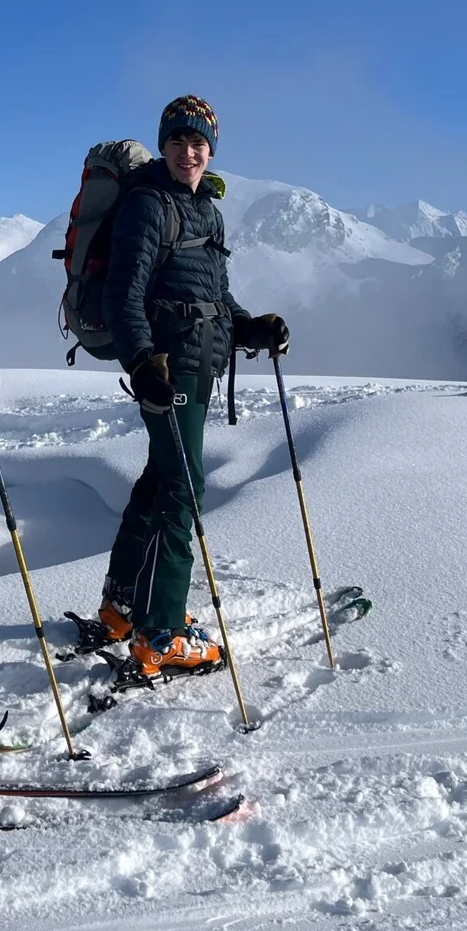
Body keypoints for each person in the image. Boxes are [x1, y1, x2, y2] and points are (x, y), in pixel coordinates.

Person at [96, 95, 291, 677]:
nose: (189, 151)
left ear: (211, 150)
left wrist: (249, 325)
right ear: (163, 145)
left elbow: (215, 295)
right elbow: (123, 294)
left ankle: (121, 605)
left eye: (199, 143)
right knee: (184, 488)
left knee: (161, 481)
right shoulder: (148, 206)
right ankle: (163, 632)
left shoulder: (207, 208)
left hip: (198, 363)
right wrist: (141, 360)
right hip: (167, 365)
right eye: (179, 141)